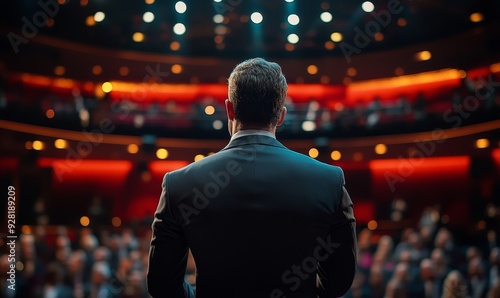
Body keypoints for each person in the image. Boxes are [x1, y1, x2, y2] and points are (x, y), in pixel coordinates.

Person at [147, 58, 357, 298]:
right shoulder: (329, 180)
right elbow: (339, 280)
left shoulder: (178, 184)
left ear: (229, 109)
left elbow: (162, 285)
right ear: (281, 116)